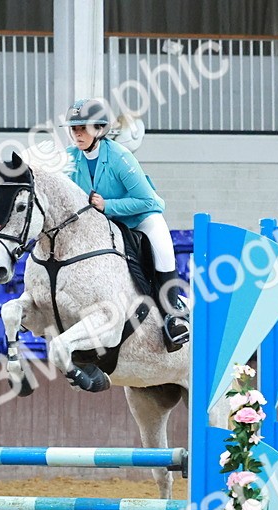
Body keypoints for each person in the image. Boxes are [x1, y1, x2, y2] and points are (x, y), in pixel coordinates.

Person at [62, 97, 188, 352]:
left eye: (82, 128)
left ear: (99, 129)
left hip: (140, 218)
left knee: (164, 250)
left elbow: (149, 201)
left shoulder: (120, 156)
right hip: (104, 224)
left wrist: (108, 206)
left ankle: (172, 316)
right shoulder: (70, 158)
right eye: (74, 129)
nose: (77, 134)